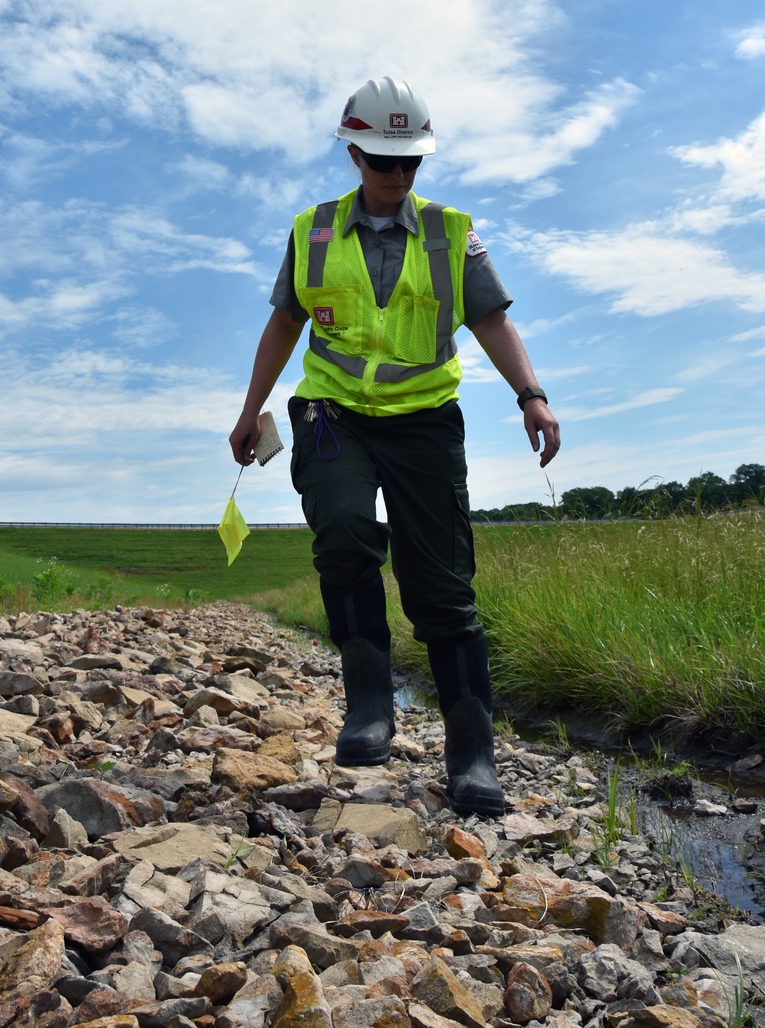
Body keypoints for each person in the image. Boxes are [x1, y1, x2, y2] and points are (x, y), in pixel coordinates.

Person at [229, 75, 560, 817]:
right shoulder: (312, 230)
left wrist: (531, 396)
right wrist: (250, 412)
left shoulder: (451, 233)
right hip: (331, 414)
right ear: (353, 151)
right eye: (383, 160)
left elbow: (493, 320)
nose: (398, 176)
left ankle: (472, 754)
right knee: (345, 531)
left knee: (441, 588)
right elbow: (284, 325)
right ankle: (370, 706)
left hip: (423, 421)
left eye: (411, 162)